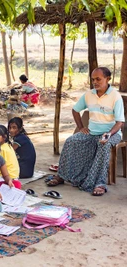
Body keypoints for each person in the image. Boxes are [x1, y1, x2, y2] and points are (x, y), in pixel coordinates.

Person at [46, 67, 125, 196]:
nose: (95, 82)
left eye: (98, 79)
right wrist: (81, 127)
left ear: (108, 79)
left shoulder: (115, 96)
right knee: (71, 141)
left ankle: (100, 183)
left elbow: (120, 122)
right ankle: (62, 175)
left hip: (112, 133)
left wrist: (109, 134)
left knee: (103, 146)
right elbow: (75, 110)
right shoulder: (89, 94)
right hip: (92, 132)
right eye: (93, 79)